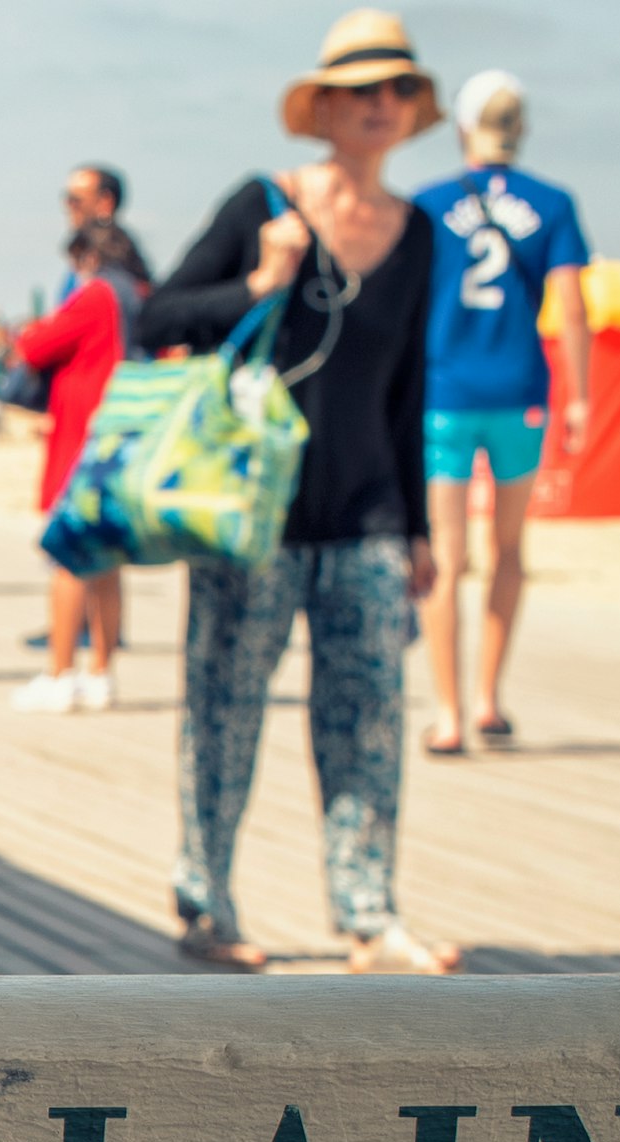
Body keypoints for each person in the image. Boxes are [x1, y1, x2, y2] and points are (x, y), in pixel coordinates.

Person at [137, 8, 456, 974]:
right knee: (224, 704)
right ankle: (207, 901)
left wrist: (418, 527)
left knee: (369, 711)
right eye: (363, 89)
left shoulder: (417, 234)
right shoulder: (262, 206)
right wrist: (259, 284)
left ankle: (367, 915)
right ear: (323, 108)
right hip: (250, 510)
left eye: (399, 89)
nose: (383, 104)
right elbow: (156, 316)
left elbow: (407, 393)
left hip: (365, 516)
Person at [409, 69, 590, 754]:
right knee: (510, 548)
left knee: (446, 556)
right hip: (520, 393)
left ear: (462, 128)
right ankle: (489, 697)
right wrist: (581, 397)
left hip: (445, 394)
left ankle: (449, 713)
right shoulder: (554, 203)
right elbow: (572, 306)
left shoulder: (428, 204)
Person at [11, 218, 151, 712]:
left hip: (84, 436)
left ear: (89, 256)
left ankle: (59, 673)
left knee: (69, 556)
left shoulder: (97, 296)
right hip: (125, 439)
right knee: (108, 565)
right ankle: (101, 674)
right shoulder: (141, 293)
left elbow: (34, 346)